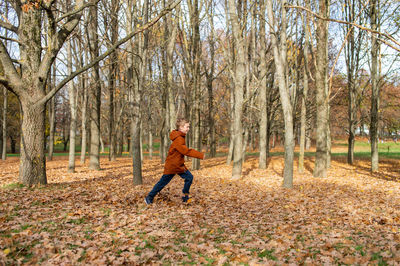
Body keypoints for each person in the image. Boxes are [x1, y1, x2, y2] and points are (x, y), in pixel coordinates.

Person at [145, 118, 205, 204]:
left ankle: (185, 196)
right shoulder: (179, 139)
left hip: (178, 165)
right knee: (162, 183)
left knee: (189, 177)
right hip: (173, 166)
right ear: (181, 127)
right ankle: (149, 198)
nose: (188, 129)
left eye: (189, 127)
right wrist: (201, 155)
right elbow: (186, 151)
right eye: (187, 127)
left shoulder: (180, 137)